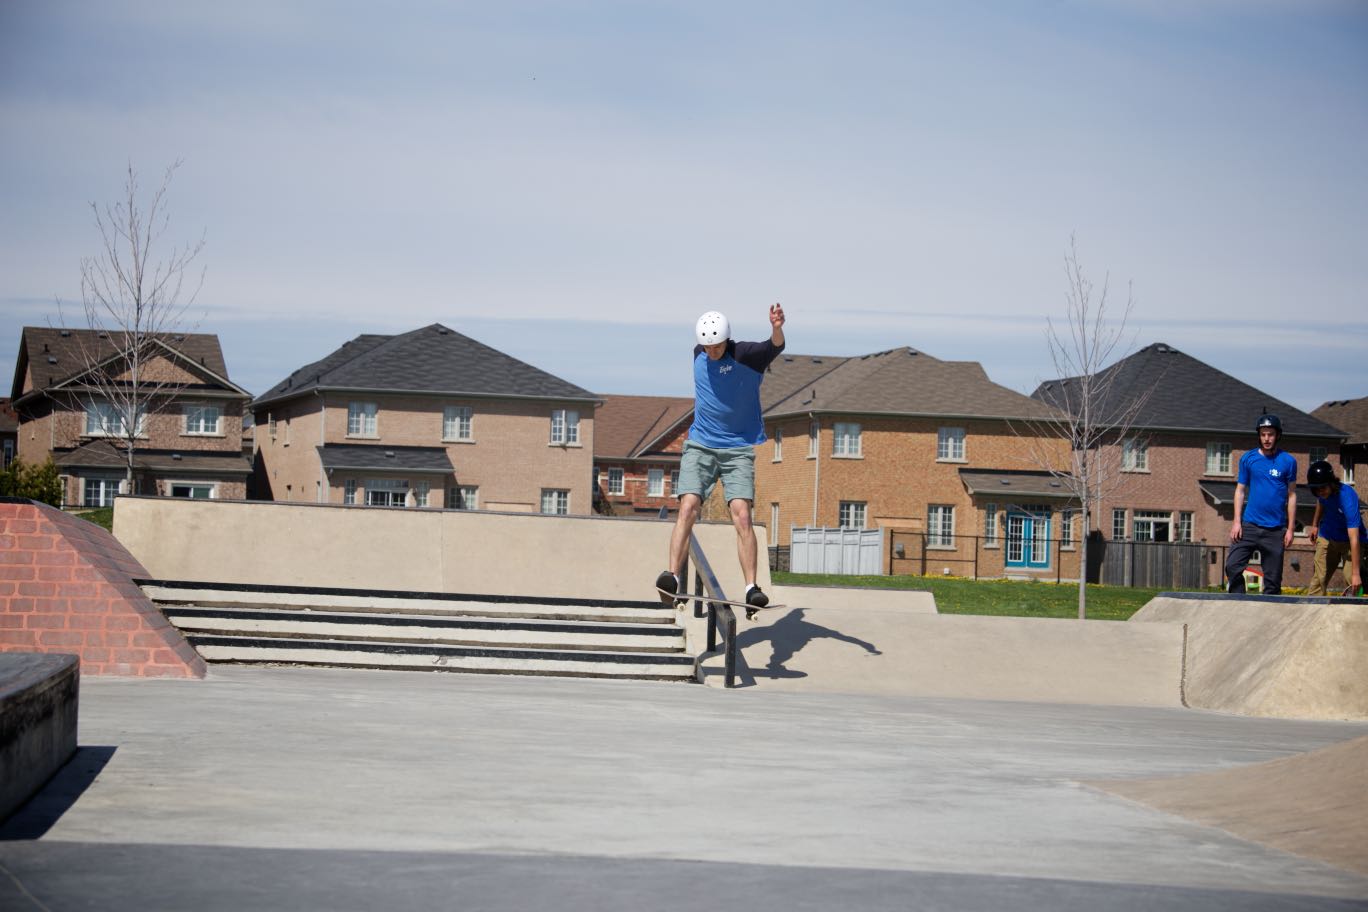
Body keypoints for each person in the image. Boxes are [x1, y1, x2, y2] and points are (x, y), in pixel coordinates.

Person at [656, 304, 786, 610]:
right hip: (700, 444)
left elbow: (774, 346)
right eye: (706, 347)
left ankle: (752, 587)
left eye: (716, 347)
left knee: (742, 514)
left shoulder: (746, 356)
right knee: (688, 506)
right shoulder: (696, 353)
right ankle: (672, 575)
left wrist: (777, 327)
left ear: (726, 341)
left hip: (737, 449)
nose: (711, 352)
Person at [1225, 414, 1298, 595]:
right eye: (1263, 434)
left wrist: (1290, 529)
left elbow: (1292, 495)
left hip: (1275, 530)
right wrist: (1236, 522)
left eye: (1270, 434)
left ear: (1277, 435)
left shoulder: (1288, 461)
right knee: (1232, 566)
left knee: (1273, 583)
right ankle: (1238, 602)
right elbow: (1240, 491)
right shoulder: (1248, 459)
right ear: (1259, 435)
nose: (1266, 439)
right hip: (1249, 525)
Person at [1305, 459, 1362, 596]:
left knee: (1352, 580)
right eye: (1316, 489)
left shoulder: (1347, 497)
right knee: (1319, 580)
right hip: (1327, 537)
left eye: (1323, 488)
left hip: (1350, 543)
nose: (1320, 492)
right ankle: (1312, 612)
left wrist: (1356, 574)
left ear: (1332, 483)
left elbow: (1354, 538)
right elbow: (1321, 503)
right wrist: (1314, 525)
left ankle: (1356, 612)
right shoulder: (1321, 493)